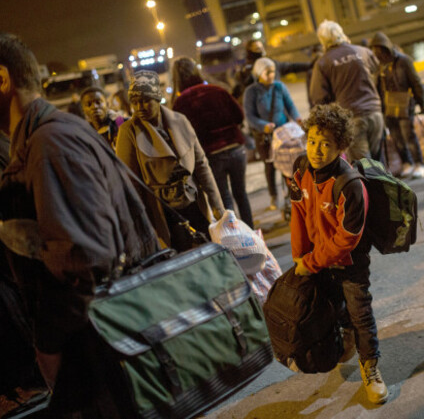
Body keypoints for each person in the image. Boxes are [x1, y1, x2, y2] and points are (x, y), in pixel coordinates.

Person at [0, 33, 159, 417]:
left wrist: (48, 344)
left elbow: (84, 259)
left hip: (101, 351)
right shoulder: (56, 135)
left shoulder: (49, 144)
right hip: (108, 344)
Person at [290, 103, 388, 404]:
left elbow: (347, 239)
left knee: (360, 313)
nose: (317, 150)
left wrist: (311, 262)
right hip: (318, 259)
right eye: (312, 141)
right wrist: (299, 257)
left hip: (350, 262)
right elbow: (298, 213)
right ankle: (346, 336)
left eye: (326, 144)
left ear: (341, 146)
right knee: (333, 306)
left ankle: (370, 367)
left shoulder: (350, 184)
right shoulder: (300, 169)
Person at [116, 70, 225, 251]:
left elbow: (201, 165)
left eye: (145, 100)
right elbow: (130, 183)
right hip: (162, 213)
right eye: (135, 102)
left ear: (157, 98)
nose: (140, 106)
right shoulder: (128, 131)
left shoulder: (180, 121)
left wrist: (217, 205)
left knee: (208, 253)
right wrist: (143, 225)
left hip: (194, 204)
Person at [171, 57, 254, 228]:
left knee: (224, 199)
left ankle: (237, 240)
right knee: (241, 194)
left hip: (211, 155)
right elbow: (239, 115)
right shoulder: (217, 90)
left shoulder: (180, 103)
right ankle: (253, 236)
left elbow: (182, 135)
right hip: (236, 148)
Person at [310, 20, 385, 162]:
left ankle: (375, 184)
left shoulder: (323, 63)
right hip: (375, 112)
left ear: (322, 40)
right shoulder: (363, 52)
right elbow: (380, 78)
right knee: (378, 161)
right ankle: (385, 184)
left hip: (351, 118)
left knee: (364, 166)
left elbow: (319, 99)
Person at [243, 58, 301, 211]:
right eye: (267, 72)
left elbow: (290, 106)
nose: (271, 75)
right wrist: (263, 126)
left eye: (273, 71)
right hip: (265, 137)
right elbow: (249, 116)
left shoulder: (280, 87)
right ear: (259, 73)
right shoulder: (251, 92)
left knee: (287, 164)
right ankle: (274, 195)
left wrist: (298, 118)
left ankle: (291, 196)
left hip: (283, 134)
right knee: (270, 166)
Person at [370, 31, 424, 178]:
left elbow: (416, 83)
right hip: (387, 107)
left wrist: (422, 104)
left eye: (378, 50)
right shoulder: (378, 66)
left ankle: (419, 164)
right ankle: (406, 163)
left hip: (404, 105)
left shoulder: (403, 61)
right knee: (396, 138)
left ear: (384, 48)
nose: (376, 54)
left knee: (409, 136)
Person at [232, 39, 312, 102]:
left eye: (262, 47)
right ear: (250, 51)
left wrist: (311, 65)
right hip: (260, 109)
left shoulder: (272, 63)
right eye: (257, 48)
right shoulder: (247, 69)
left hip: (278, 103)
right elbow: (241, 84)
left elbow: (291, 67)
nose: (261, 50)